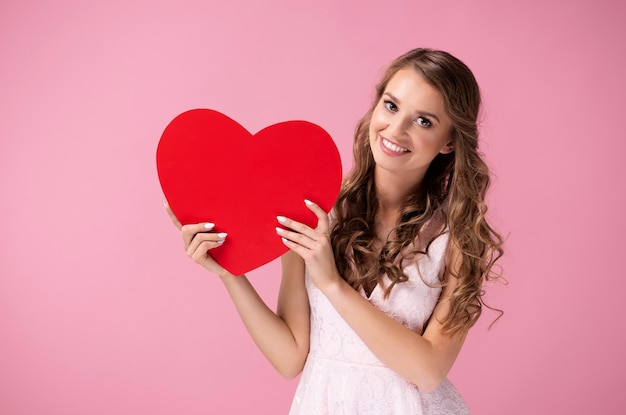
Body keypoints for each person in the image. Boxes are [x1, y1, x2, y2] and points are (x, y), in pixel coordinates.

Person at [165, 48, 504, 414]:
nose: (396, 129)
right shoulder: (313, 210)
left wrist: (332, 284)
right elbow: (290, 357)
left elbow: (429, 371)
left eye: (424, 121)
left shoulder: (459, 239)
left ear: (450, 141)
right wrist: (229, 272)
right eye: (391, 106)